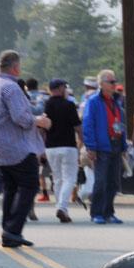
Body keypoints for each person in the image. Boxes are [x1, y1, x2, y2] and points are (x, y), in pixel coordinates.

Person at [0, 50, 52, 247]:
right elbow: (21, 118)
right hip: (18, 147)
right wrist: (40, 121)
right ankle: (13, 228)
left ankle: (8, 230)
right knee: (29, 185)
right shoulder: (11, 88)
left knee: (11, 187)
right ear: (15, 67)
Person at [82, 69, 126, 224]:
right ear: (101, 84)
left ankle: (109, 212)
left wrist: (123, 145)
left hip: (115, 145)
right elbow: (88, 124)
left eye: (115, 81)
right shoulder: (93, 102)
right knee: (100, 181)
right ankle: (97, 213)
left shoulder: (116, 101)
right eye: (111, 82)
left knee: (114, 182)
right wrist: (91, 147)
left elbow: (120, 124)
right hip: (101, 147)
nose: (115, 84)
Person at [42, 79, 82, 223]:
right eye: (64, 87)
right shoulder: (69, 105)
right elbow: (77, 126)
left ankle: (60, 207)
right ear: (59, 88)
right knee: (70, 178)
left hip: (51, 146)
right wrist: (82, 141)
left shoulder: (47, 105)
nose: (65, 89)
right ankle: (62, 207)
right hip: (68, 145)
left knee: (57, 178)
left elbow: (44, 126)